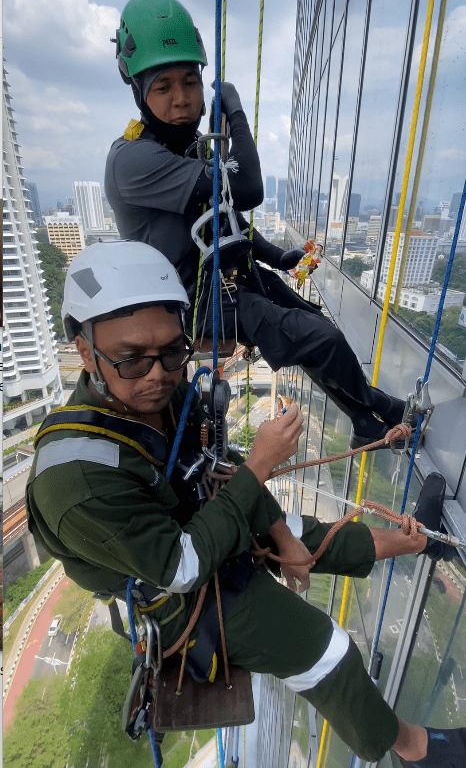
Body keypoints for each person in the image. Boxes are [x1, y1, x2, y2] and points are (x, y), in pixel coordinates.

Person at [26, 241, 464, 767]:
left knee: (304, 528)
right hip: (172, 596)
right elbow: (180, 567)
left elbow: (214, 470)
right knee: (326, 649)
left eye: (171, 352)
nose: (158, 374)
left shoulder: (155, 391)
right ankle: (418, 752)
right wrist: (259, 467)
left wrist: (284, 540)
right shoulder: (75, 480)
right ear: (84, 349)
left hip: (198, 520)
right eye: (132, 358)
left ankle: (421, 542)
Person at [105, 0, 414, 451]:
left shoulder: (189, 151)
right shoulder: (134, 160)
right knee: (320, 337)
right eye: (164, 86)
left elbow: (223, 217)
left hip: (226, 279)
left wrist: (276, 255)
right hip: (192, 302)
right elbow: (248, 189)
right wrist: (234, 108)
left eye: (190, 82)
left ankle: (366, 416)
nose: (182, 100)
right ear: (138, 90)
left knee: (308, 323)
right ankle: (374, 408)